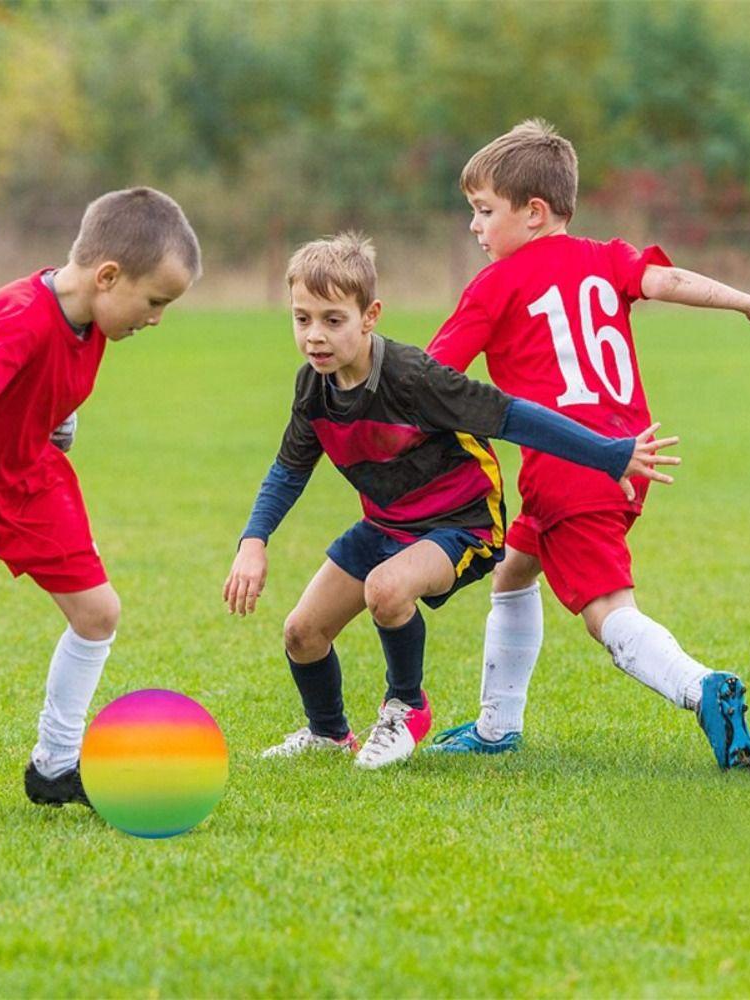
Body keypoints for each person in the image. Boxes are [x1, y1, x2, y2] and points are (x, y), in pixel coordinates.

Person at [223, 232, 678, 770]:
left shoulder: (413, 379)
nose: (314, 337)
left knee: (386, 589)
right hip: (389, 524)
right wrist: (254, 540)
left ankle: (406, 707)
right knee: (302, 633)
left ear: (370, 316)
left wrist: (608, 453)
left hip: (462, 523)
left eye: (332, 320)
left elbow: (514, 416)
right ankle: (328, 733)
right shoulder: (313, 388)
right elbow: (289, 469)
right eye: (302, 319)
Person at [425, 120, 750, 770]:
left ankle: (702, 689)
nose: (474, 227)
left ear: (533, 213)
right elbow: (669, 283)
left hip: (569, 465)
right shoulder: (606, 257)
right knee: (514, 570)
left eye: (483, 211)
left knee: (607, 613)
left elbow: (431, 375)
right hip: (627, 453)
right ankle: (498, 727)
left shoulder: (495, 285)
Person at [0, 187, 200, 816]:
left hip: (26, 475)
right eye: (155, 301)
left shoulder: (92, 318)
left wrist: (59, 426)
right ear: (108, 276)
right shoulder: (19, 316)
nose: (156, 317)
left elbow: (53, 386)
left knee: (97, 613)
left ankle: (55, 766)